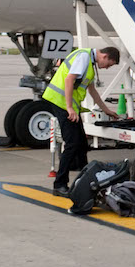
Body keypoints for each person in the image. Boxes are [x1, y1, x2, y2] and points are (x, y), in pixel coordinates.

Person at [42, 45, 121, 209]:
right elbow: (69, 80)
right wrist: (70, 108)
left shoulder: (89, 64)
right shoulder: (84, 58)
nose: (107, 67)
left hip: (67, 105)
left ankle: (84, 179)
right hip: (61, 103)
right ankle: (59, 184)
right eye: (110, 64)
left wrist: (107, 110)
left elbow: (92, 91)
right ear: (105, 56)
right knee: (72, 144)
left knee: (81, 144)